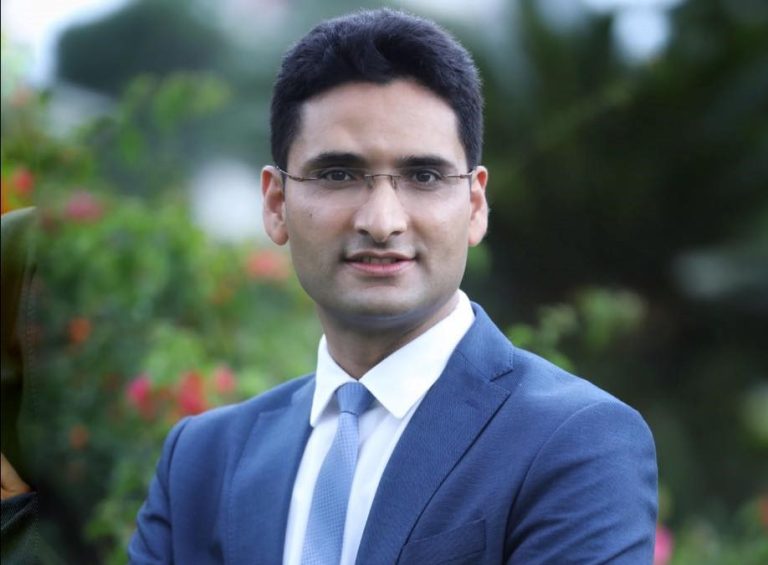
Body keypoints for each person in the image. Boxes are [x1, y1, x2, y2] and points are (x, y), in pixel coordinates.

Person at [129, 8, 657, 564]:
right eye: (338, 174)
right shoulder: (202, 462)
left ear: (475, 205)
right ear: (276, 203)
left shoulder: (576, 442)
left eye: (423, 176)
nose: (382, 222)